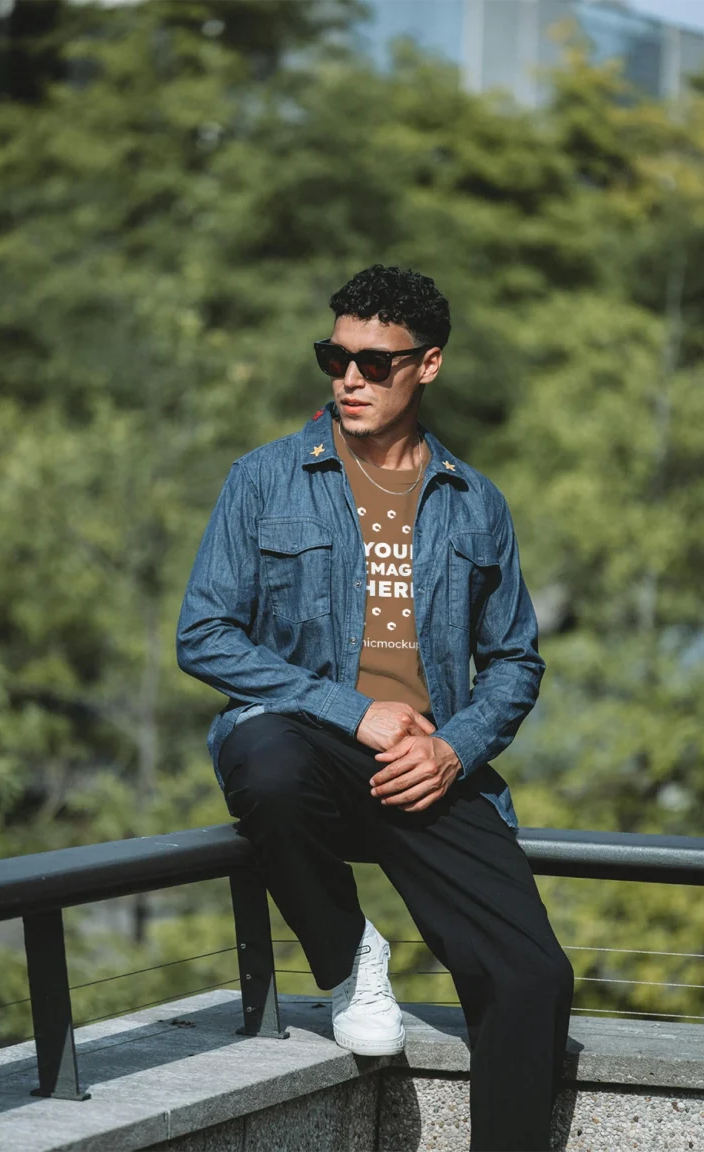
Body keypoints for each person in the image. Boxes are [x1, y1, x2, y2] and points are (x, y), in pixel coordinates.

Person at [177, 264, 574, 1152]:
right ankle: (352, 956)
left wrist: (454, 750)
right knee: (263, 759)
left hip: (428, 767)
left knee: (534, 979)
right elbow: (204, 634)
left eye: (374, 362)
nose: (348, 378)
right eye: (334, 355)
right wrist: (352, 711)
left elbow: (514, 660)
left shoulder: (477, 504)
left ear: (427, 365)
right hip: (311, 745)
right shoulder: (265, 478)